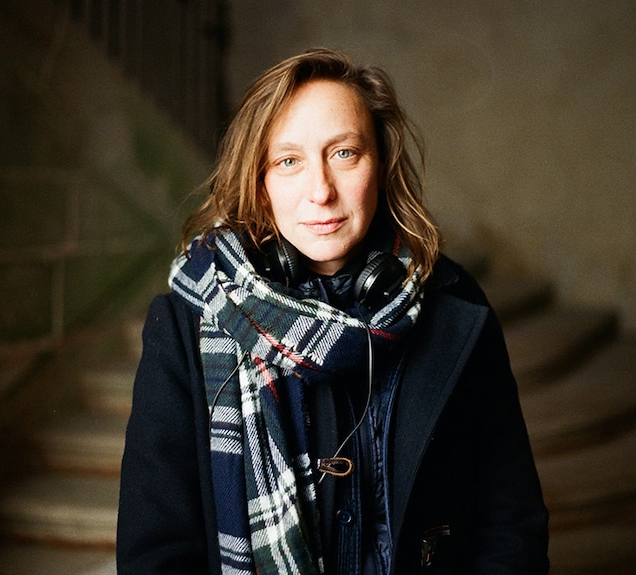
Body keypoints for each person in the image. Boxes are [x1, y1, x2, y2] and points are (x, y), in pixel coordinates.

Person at [117, 48, 549, 574]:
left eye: (344, 153)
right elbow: (155, 555)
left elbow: (510, 529)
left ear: (381, 165)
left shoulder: (454, 307)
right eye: (289, 161)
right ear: (260, 182)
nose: (320, 191)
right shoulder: (186, 326)